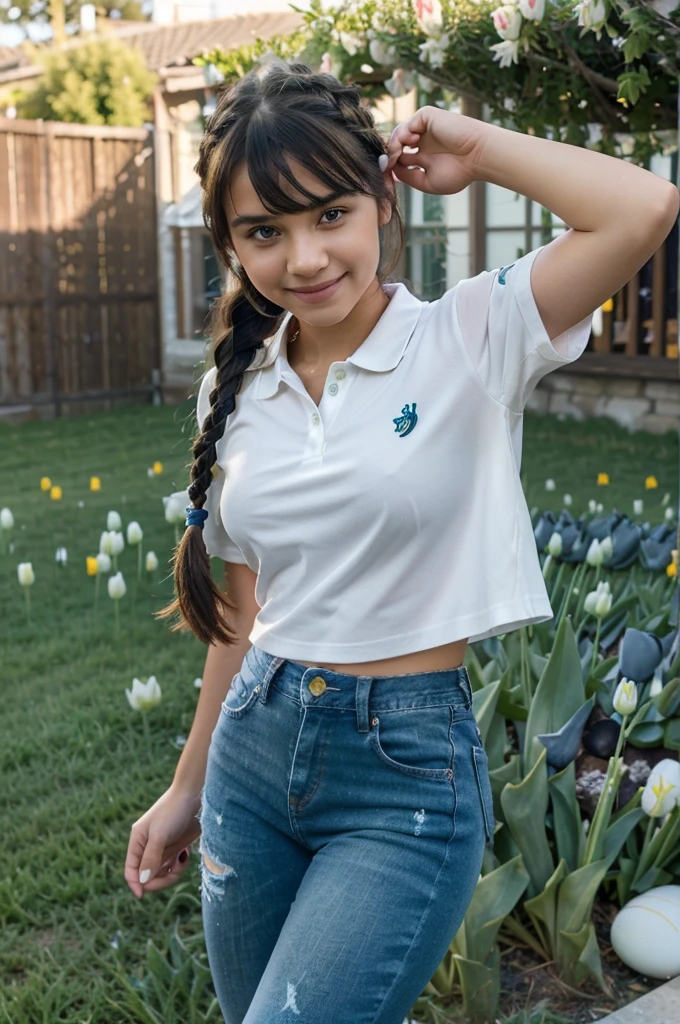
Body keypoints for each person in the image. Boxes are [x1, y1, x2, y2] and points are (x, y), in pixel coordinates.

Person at [124, 56, 678, 1024]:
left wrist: (474, 146)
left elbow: (637, 208)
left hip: (401, 773)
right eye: (264, 230)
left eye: (328, 213)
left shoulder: (470, 332)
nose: (303, 257)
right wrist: (188, 781)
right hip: (252, 752)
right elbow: (243, 607)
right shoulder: (236, 386)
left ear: (381, 200)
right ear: (229, 244)